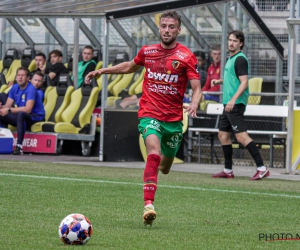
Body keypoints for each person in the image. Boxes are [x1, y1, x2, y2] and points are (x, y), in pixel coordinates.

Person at [85, 10, 202, 226]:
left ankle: (153, 175)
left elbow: (197, 87)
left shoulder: (186, 56)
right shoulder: (148, 52)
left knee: (164, 167)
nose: (167, 30)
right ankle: (148, 205)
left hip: (174, 119)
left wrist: (195, 102)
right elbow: (130, 67)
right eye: (163, 26)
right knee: (153, 153)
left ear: (178, 30)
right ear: (159, 28)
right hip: (150, 113)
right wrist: (102, 71)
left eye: (171, 27)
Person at [211, 30, 269, 181]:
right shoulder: (231, 58)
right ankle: (228, 170)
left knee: (242, 137)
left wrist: (233, 100)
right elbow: (234, 79)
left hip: (235, 104)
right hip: (228, 103)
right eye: (230, 40)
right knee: (223, 135)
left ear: (241, 43)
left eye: (235, 41)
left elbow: (244, 82)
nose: (231, 43)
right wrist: (220, 82)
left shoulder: (240, 59)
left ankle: (262, 168)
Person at [0, 67, 45, 155]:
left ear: (28, 78)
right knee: (1, 112)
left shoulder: (31, 89)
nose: (20, 77)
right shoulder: (15, 87)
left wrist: (8, 110)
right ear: (16, 77)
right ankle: (2, 142)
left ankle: (19, 147)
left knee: (21, 114)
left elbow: (28, 109)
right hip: (23, 115)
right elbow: (8, 105)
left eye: (23, 75)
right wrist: (2, 108)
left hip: (35, 116)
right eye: (18, 75)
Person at [199, 44, 221, 110]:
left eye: (219, 54)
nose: (217, 56)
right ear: (211, 54)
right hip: (210, 94)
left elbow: (219, 87)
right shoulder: (210, 68)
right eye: (215, 54)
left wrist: (205, 94)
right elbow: (207, 85)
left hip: (219, 96)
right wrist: (200, 92)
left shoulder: (224, 66)